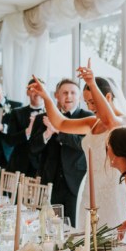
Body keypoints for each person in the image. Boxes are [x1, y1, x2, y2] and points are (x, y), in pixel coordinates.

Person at [28, 60, 126, 228]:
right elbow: (59, 123)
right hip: (90, 189)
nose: (91, 107)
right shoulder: (92, 122)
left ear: (107, 97)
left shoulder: (123, 122)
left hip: (113, 191)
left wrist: (91, 82)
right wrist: (46, 97)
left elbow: (110, 122)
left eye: (93, 102)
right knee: (87, 239)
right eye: (87, 103)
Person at [29, 79, 93, 227]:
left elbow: (83, 145)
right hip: (49, 181)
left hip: (76, 181)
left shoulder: (87, 117)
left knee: (73, 225)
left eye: (73, 93)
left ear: (79, 96)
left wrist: (58, 130)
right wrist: (48, 132)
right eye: (65, 93)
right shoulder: (42, 119)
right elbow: (32, 149)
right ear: (56, 95)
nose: (68, 96)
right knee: (49, 225)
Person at [5, 78, 45, 177]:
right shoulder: (16, 112)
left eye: (40, 89)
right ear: (27, 92)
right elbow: (10, 140)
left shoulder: (53, 115)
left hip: (42, 166)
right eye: (33, 89)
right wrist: (27, 131)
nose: (37, 92)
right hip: (19, 166)